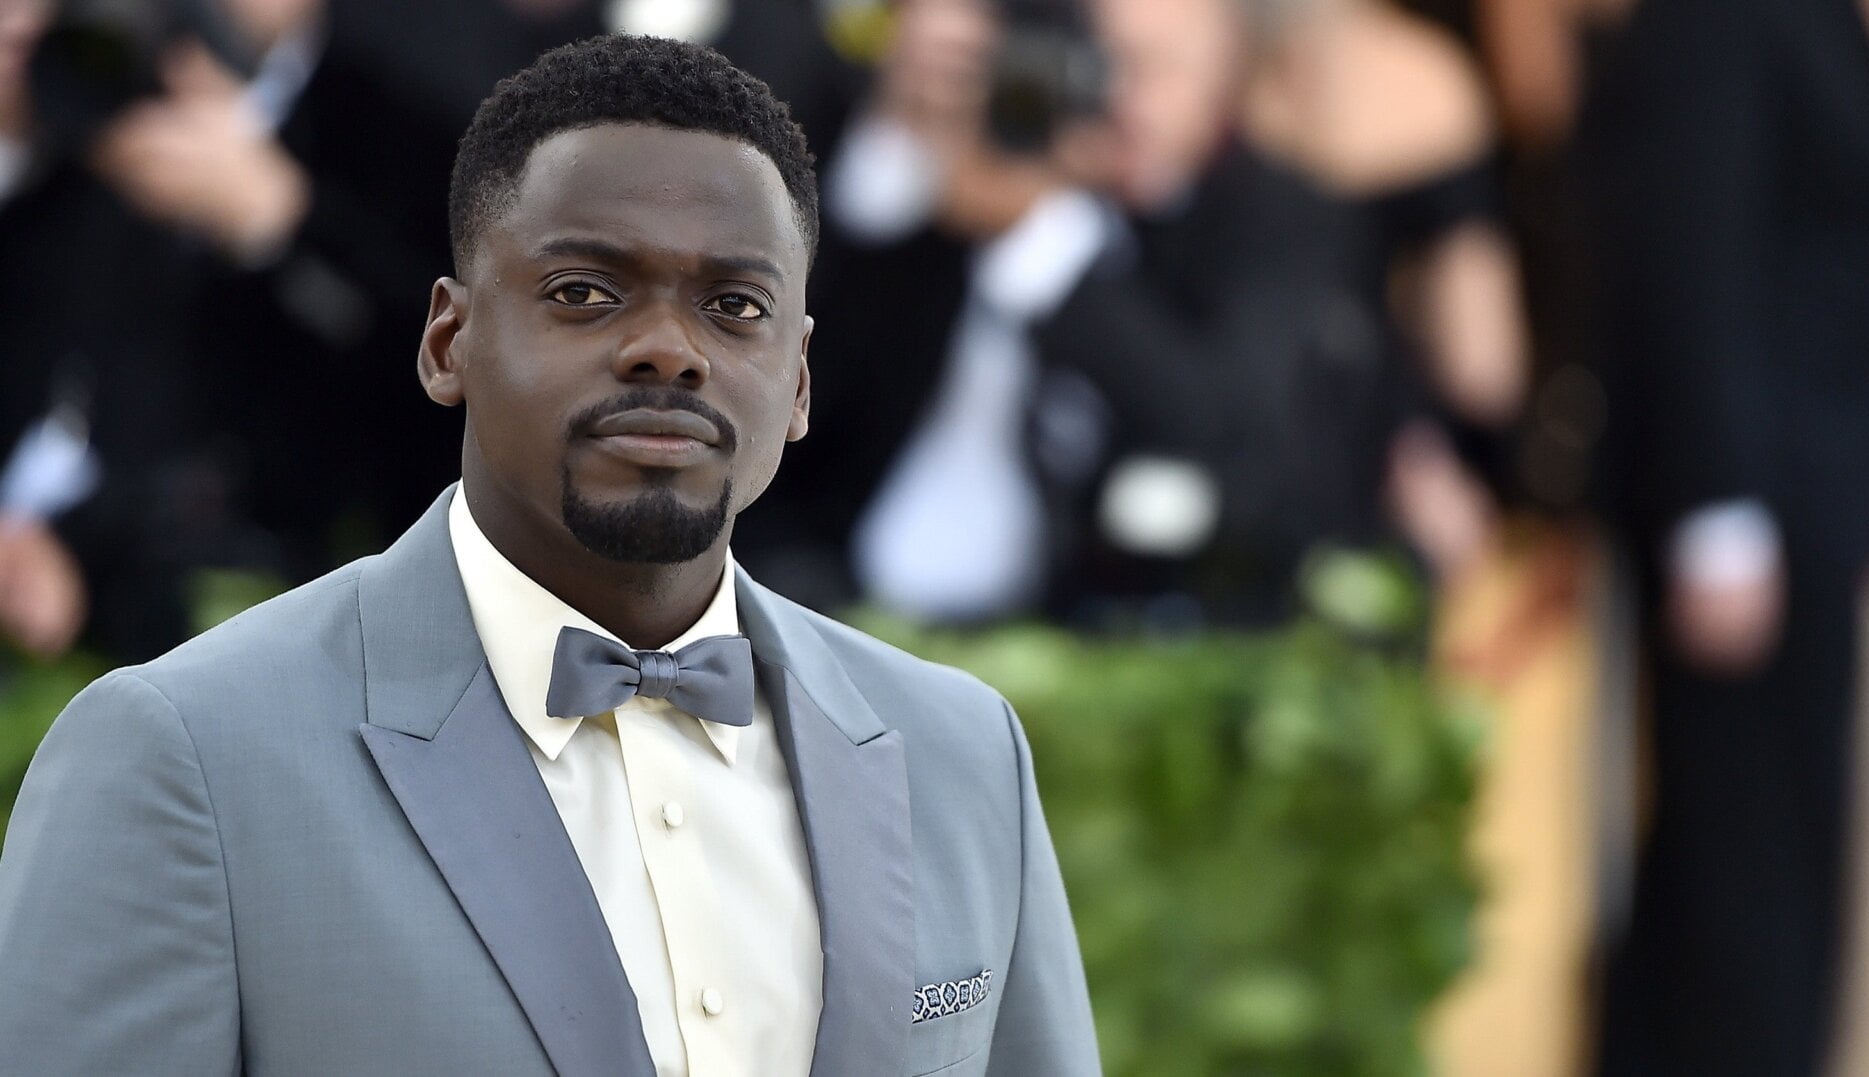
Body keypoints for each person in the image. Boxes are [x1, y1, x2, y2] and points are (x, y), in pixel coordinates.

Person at [0, 34, 1098, 1076]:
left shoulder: (962, 756)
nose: (668, 349)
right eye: (584, 292)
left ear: (798, 379)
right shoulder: (186, 756)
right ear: (449, 342)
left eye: (734, 305)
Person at [1582, 0, 1869, 1072]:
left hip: (1812, 500)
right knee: (1742, 881)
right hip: (1748, 520)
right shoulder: (1721, 16)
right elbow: (1693, 263)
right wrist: (1718, 513)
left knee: (1770, 860)